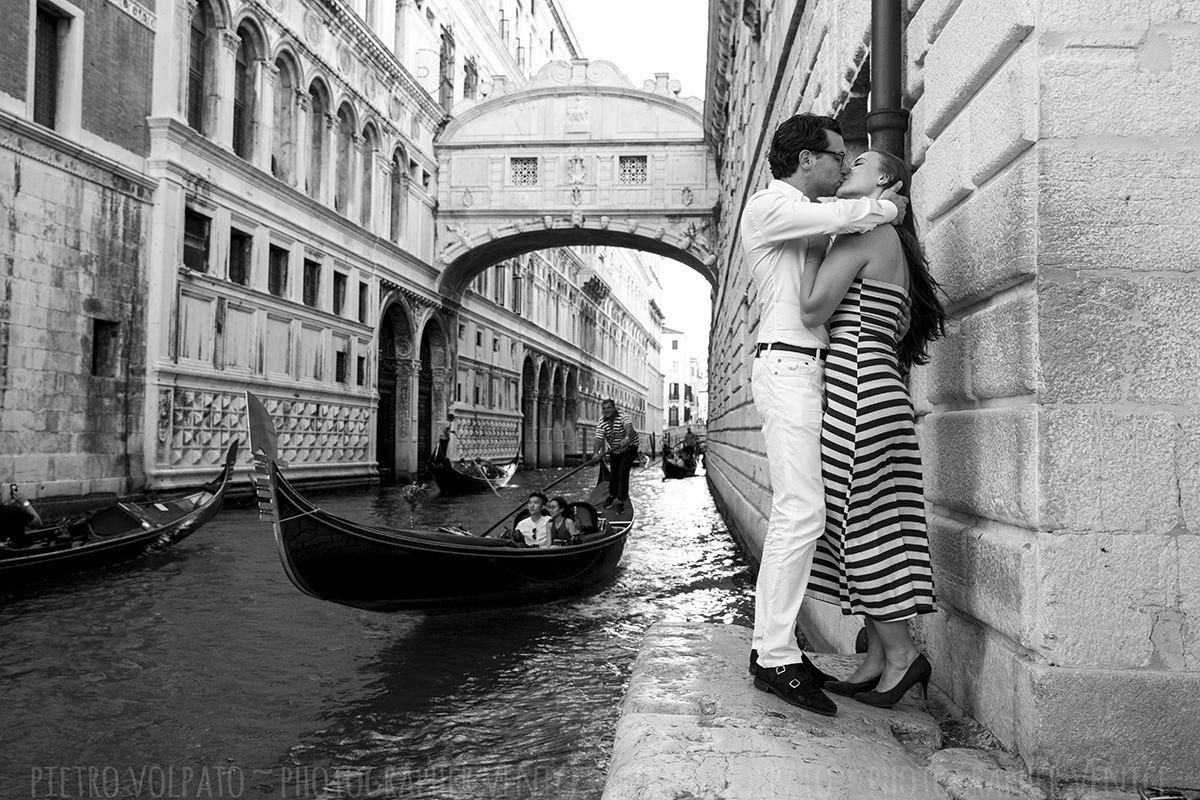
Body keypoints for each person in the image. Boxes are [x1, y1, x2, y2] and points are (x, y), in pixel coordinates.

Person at [741, 113, 909, 717]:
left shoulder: (803, 215)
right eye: (838, 156)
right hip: (787, 367)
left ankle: (776, 646)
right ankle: (773, 655)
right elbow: (846, 216)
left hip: (806, 370)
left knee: (807, 510)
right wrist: (887, 208)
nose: (844, 164)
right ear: (807, 159)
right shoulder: (770, 204)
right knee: (802, 509)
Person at [798, 149, 946, 707]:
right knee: (884, 524)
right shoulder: (893, 245)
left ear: (884, 180)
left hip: (858, 397)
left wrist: (813, 239)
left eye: (858, 162)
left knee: (854, 528)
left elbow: (813, 308)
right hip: (882, 396)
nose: (847, 165)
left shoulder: (862, 236)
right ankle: (880, 656)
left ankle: (903, 654)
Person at [592, 399, 637, 513]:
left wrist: (626, 438)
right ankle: (612, 495)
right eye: (604, 408)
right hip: (615, 450)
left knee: (622, 473)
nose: (606, 410)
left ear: (614, 408)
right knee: (613, 475)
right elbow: (598, 438)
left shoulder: (622, 416)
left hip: (630, 447)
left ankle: (621, 501)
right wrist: (596, 453)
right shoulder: (602, 422)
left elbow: (628, 427)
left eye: (608, 408)